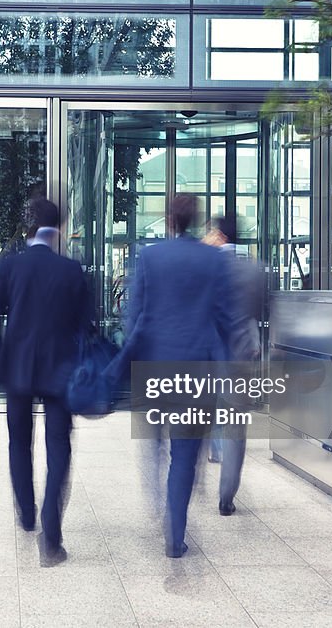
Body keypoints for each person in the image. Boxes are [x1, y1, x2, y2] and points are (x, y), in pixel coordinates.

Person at [106, 195, 244, 558]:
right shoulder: (212, 260)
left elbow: (134, 315)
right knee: (184, 454)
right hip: (196, 371)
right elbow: (225, 319)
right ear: (196, 222)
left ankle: (156, 502)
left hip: (154, 368)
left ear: (170, 220)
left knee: (154, 443)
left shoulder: (150, 256)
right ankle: (175, 530)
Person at [0, 198, 92, 567]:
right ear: (57, 228)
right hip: (59, 373)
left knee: (19, 443)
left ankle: (26, 515)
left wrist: (1, 360)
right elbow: (86, 327)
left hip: (18, 371)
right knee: (59, 446)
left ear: (30, 228)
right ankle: (51, 531)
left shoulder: (11, 266)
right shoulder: (71, 270)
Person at [202, 216, 267, 516]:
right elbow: (260, 312)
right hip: (241, 355)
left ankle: (197, 471)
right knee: (236, 425)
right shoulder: (253, 270)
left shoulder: (205, 267)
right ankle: (226, 496)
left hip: (206, 355)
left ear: (218, 235)